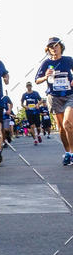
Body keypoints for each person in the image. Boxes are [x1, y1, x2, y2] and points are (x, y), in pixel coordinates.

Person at [35, 37, 73, 165]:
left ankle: (72, 153)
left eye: (56, 45)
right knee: (61, 128)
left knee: (68, 123)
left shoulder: (68, 60)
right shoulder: (46, 63)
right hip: (54, 97)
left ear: (61, 47)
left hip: (69, 95)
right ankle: (67, 153)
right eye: (51, 46)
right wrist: (46, 76)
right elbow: (37, 80)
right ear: (48, 50)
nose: (54, 48)